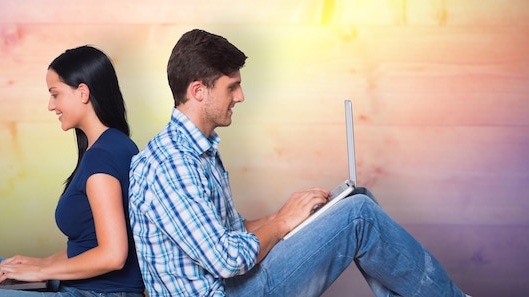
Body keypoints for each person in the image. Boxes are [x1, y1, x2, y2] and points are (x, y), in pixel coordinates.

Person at [129, 29, 470, 297]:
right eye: (232, 87)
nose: (241, 97)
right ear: (199, 90)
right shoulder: (171, 163)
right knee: (359, 216)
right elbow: (226, 259)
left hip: (233, 285)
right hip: (227, 290)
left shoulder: (194, 150)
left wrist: (285, 216)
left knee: (353, 200)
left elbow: (229, 232)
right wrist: (280, 226)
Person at [0, 46, 144, 297]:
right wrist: (42, 263)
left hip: (98, 293)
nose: (51, 106)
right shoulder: (116, 143)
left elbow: (113, 255)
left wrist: (41, 273)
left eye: (55, 94)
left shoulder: (101, 160)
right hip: (93, 286)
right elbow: (89, 243)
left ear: (83, 93)